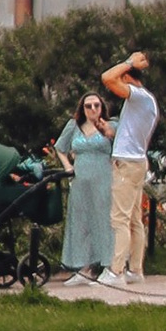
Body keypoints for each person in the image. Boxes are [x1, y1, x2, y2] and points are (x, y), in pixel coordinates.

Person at [97, 50, 158, 287]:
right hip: (136, 161)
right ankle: (135, 269)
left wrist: (128, 63)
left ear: (129, 79)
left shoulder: (139, 96)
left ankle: (115, 271)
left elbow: (107, 78)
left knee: (119, 219)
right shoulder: (145, 102)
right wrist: (109, 131)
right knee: (134, 219)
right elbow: (129, 132)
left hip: (126, 164)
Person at [55, 93, 113, 287]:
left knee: (104, 221)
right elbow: (60, 147)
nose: (93, 109)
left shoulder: (110, 125)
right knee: (81, 222)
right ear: (82, 108)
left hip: (103, 177)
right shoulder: (74, 126)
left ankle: (107, 266)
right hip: (80, 179)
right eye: (88, 106)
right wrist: (68, 167)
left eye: (96, 105)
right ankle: (83, 268)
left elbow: (118, 145)